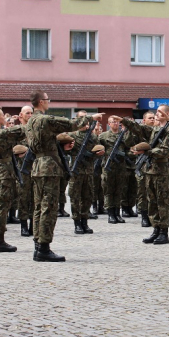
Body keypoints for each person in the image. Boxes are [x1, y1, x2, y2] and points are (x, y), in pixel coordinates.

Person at [27, 90, 103, 261]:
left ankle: (38, 245)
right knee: (49, 207)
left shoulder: (31, 120)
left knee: (39, 207)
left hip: (38, 165)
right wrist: (91, 117)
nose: (48, 102)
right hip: (49, 167)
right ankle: (44, 248)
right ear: (40, 102)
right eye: (47, 99)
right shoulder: (44, 119)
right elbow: (71, 124)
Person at [116, 105, 169, 245]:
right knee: (152, 201)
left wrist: (146, 152)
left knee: (162, 202)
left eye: (160, 112)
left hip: (160, 171)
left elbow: (164, 151)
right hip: (149, 170)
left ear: (167, 114)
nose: (156, 114)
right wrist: (124, 121)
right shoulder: (155, 129)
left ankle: (163, 232)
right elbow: (139, 128)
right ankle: (155, 229)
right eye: (156, 112)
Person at [0, 107, 26, 252]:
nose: (4, 118)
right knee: (1, 206)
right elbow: (20, 131)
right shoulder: (0, 133)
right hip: (4, 172)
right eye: (2, 116)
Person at [68, 112, 104, 234]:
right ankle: (77, 222)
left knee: (87, 196)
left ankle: (85, 221)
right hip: (76, 170)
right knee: (75, 197)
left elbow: (96, 152)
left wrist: (96, 154)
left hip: (88, 170)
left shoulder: (93, 137)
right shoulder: (71, 135)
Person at [99, 115, 130, 224]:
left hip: (120, 166)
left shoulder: (125, 136)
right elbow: (97, 148)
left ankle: (117, 213)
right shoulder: (103, 136)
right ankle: (110, 214)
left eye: (117, 122)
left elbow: (128, 149)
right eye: (113, 122)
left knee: (119, 190)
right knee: (108, 190)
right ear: (109, 124)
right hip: (108, 166)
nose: (116, 124)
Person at [134, 111, 155, 227]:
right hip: (142, 165)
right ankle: (144, 216)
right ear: (144, 120)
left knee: (153, 193)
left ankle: (153, 216)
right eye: (150, 118)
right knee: (142, 192)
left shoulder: (158, 131)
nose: (152, 120)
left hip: (153, 166)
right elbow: (129, 144)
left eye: (153, 118)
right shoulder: (139, 133)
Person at [16, 106, 34, 236]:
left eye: (31, 113)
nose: (30, 115)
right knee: (23, 198)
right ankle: (23, 225)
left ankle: (34, 224)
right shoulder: (17, 131)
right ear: (20, 115)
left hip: (35, 169)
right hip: (22, 169)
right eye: (27, 113)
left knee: (35, 198)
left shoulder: (35, 130)